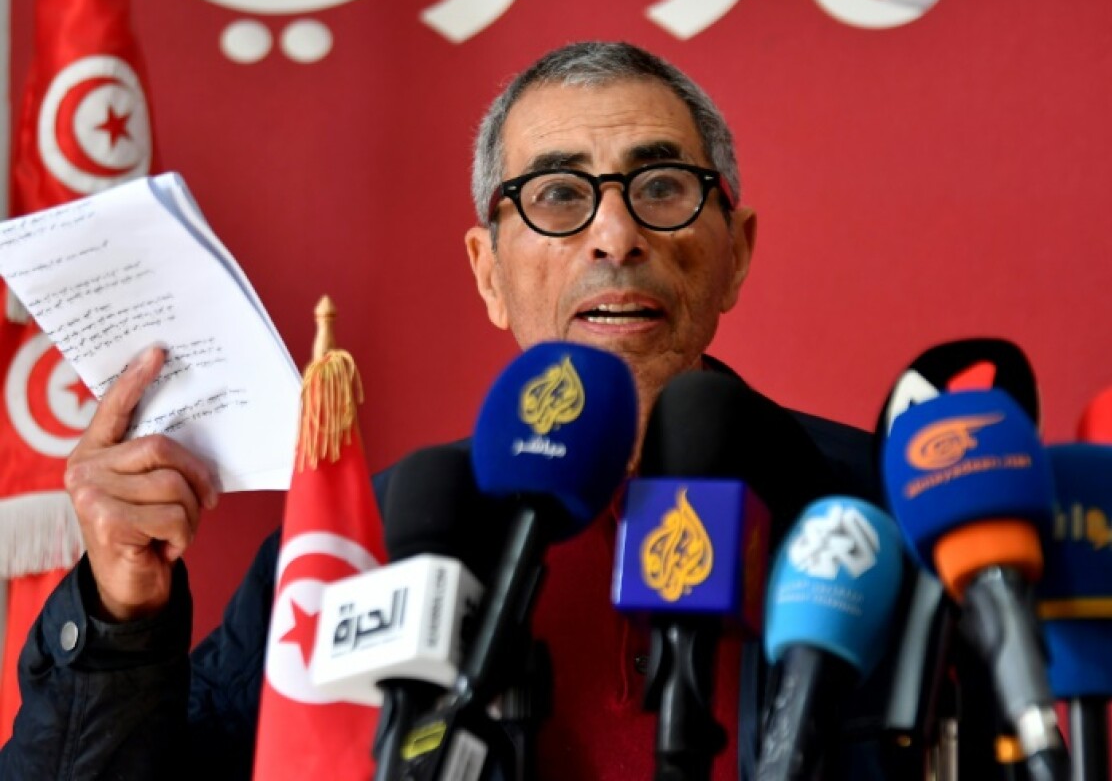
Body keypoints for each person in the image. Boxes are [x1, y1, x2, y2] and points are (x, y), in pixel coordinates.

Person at [0, 42, 887, 780]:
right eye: (557, 196)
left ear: (737, 253)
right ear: (487, 273)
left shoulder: (881, 514)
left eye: (660, 186)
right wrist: (121, 615)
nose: (615, 236)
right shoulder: (372, 541)